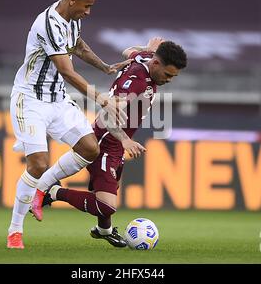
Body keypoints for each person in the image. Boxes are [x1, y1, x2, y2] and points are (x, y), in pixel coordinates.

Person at [7, 0, 129, 249]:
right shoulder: (48, 23)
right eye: (86, 6)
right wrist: (100, 98)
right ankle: (15, 230)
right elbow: (66, 70)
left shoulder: (72, 19)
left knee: (90, 148)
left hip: (58, 100)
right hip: (31, 100)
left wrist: (107, 67)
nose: (88, 12)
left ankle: (42, 191)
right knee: (37, 164)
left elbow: (79, 46)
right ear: (72, 0)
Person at [31, 38, 187, 247]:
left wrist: (146, 49)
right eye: (168, 75)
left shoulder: (146, 59)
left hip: (114, 145)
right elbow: (108, 115)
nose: (169, 80)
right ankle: (53, 192)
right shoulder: (136, 82)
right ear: (157, 64)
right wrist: (125, 140)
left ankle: (104, 230)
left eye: (173, 76)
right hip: (106, 143)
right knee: (106, 206)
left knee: (109, 191)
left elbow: (127, 50)